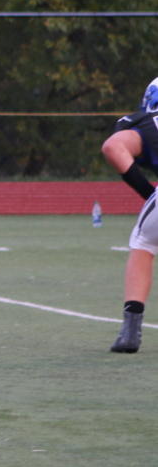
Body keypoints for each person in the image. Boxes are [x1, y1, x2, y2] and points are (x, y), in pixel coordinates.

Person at [100, 76, 158, 352]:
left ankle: (131, 331)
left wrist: (148, 193)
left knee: (144, 244)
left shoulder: (144, 122)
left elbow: (113, 148)